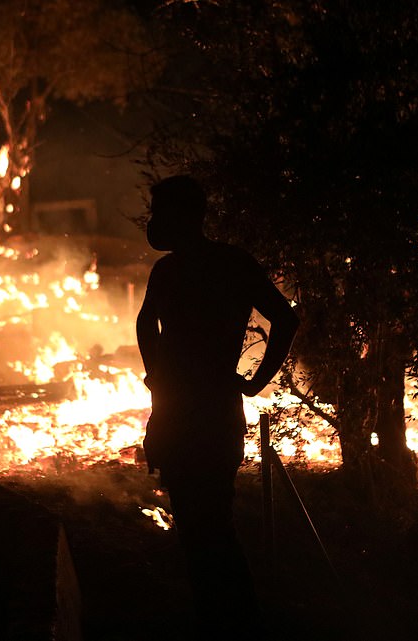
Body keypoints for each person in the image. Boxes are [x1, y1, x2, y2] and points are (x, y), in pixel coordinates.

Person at [136, 175, 299, 638]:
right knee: (210, 522)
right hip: (216, 410)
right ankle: (229, 618)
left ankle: (234, 620)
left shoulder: (169, 271)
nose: (154, 221)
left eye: (160, 211)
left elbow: (146, 325)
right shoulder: (233, 263)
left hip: (181, 413)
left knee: (200, 526)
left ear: (182, 216)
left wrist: (157, 375)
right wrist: (254, 382)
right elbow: (285, 318)